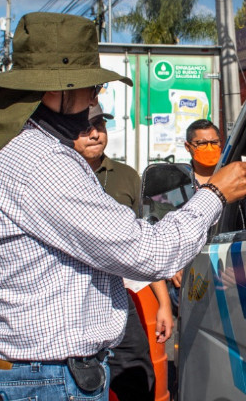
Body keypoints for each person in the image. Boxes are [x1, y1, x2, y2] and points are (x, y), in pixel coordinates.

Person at [0, 12, 246, 401]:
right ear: (54, 90)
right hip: (50, 379)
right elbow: (149, 252)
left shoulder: (0, 147)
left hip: (26, 371)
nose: (95, 98)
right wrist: (213, 193)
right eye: (89, 87)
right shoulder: (41, 161)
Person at [71, 107, 172, 401]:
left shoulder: (127, 177)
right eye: (84, 128)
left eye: (99, 125)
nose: (94, 133)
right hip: (69, 298)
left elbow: (141, 243)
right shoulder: (57, 176)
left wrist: (163, 302)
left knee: (137, 377)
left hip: (118, 294)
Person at [185, 119, 222, 187]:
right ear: (187, 146)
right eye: (202, 143)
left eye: (214, 142)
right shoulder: (181, 180)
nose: (209, 149)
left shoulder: (231, 176)